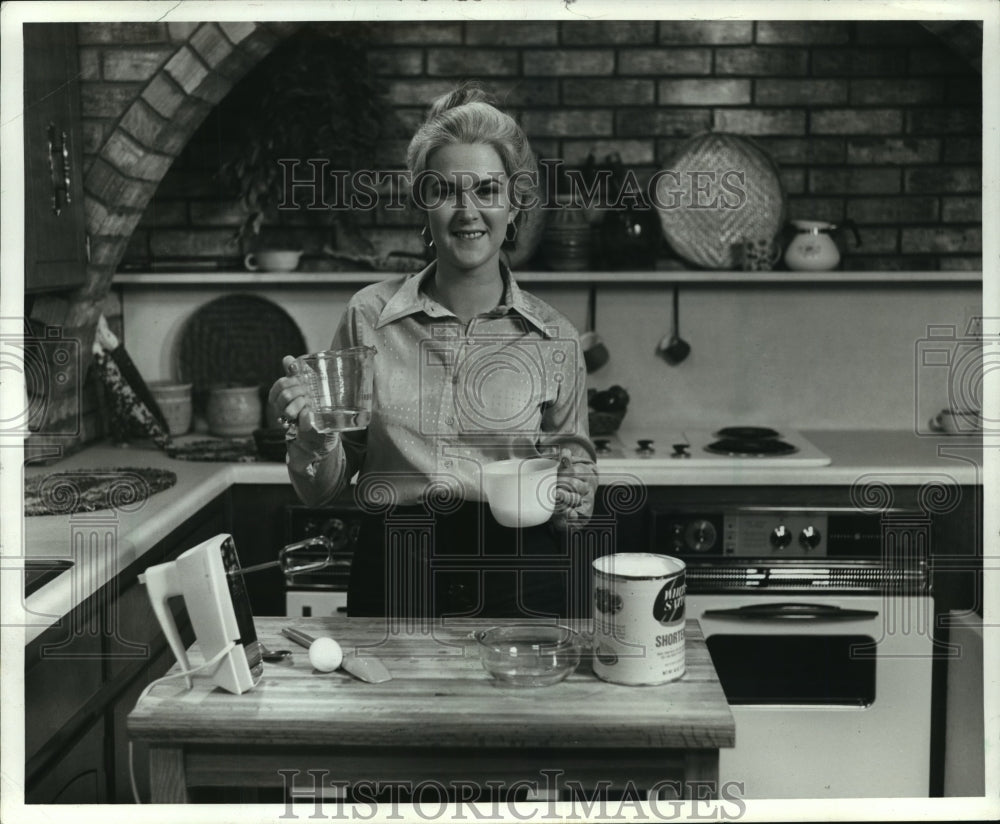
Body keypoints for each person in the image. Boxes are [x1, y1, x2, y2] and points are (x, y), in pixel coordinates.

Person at [268, 83, 597, 620]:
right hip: (396, 575)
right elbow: (321, 492)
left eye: (488, 190)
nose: (468, 211)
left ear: (514, 207)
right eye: (445, 191)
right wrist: (311, 439)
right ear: (423, 205)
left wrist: (576, 497)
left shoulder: (554, 337)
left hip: (521, 583)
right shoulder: (368, 318)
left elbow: (573, 478)